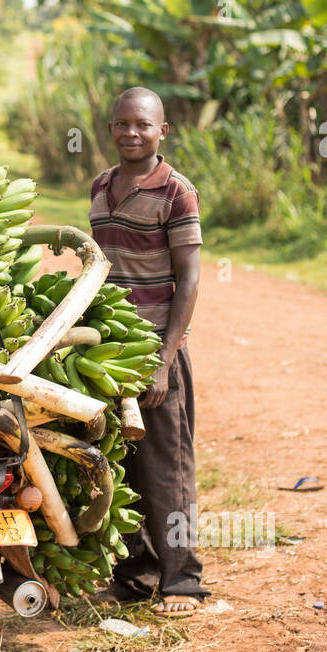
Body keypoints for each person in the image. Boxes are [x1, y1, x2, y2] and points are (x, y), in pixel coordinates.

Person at [88, 87, 208, 618]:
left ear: (163, 131)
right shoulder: (100, 186)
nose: (130, 133)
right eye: (121, 124)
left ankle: (182, 580)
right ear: (110, 129)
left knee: (167, 467)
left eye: (142, 124)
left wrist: (163, 359)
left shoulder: (177, 192)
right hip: (109, 350)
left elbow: (190, 280)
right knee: (119, 463)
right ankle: (134, 574)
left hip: (155, 350)